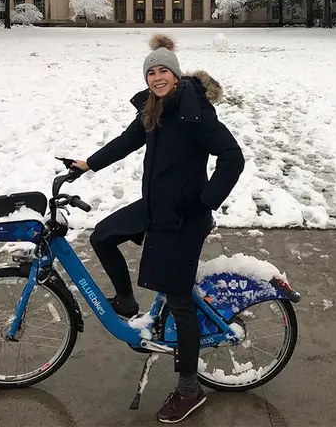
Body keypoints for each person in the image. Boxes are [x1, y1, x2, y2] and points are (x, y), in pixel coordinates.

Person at [70, 34, 245, 423]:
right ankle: (127, 301)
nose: (157, 77)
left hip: (185, 216)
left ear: (176, 74)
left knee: (178, 300)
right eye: (151, 72)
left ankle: (190, 389)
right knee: (103, 235)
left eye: (163, 70)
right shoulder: (154, 107)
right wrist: (88, 165)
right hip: (155, 207)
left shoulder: (195, 109)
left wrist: (204, 201)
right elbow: (127, 141)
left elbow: (233, 157)